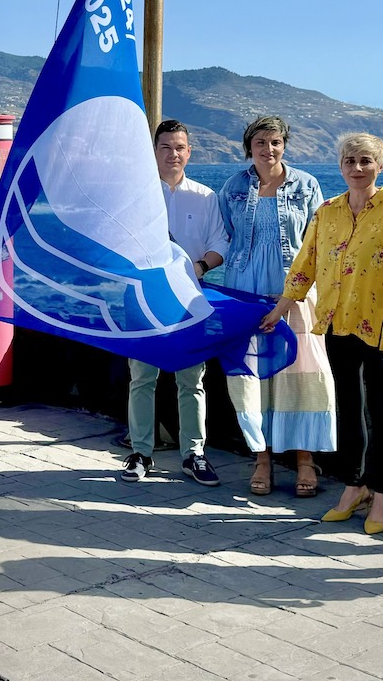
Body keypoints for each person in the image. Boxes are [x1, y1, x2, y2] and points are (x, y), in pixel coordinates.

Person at [262, 133, 383, 534]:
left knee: (381, 412)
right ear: (340, 166)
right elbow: (305, 264)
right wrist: (279, 310)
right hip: (338, 324)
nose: (357, 168)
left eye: (366, 160)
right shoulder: (327, 211)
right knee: (348, 409)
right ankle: (355, 486)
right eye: (350, 161)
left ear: (380, 166)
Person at [217, 116, 336, 497]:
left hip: (296, 292)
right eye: (260, 142)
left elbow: (318, 242)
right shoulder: (233, 187)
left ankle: (305, 460)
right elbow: (227, 236)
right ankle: (262, 460)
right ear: (248, 147)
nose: (268, 149)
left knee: (302, 373)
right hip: (245, 293)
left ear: (284, 145)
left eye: (275, 142)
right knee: (253, 377)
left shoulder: (306, 184)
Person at [119, 120, 229, 484]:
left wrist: (199, 266)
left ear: (189, 152)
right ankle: (140, 452)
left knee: (191, 380)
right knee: (141, 378)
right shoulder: (135, 196)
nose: (173, 154)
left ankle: (193, 454)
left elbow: (220, 243)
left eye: (179, 147)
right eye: (165, 147)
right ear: (154, 151)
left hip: (190, 300)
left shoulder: (205, 197)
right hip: (143, 298)